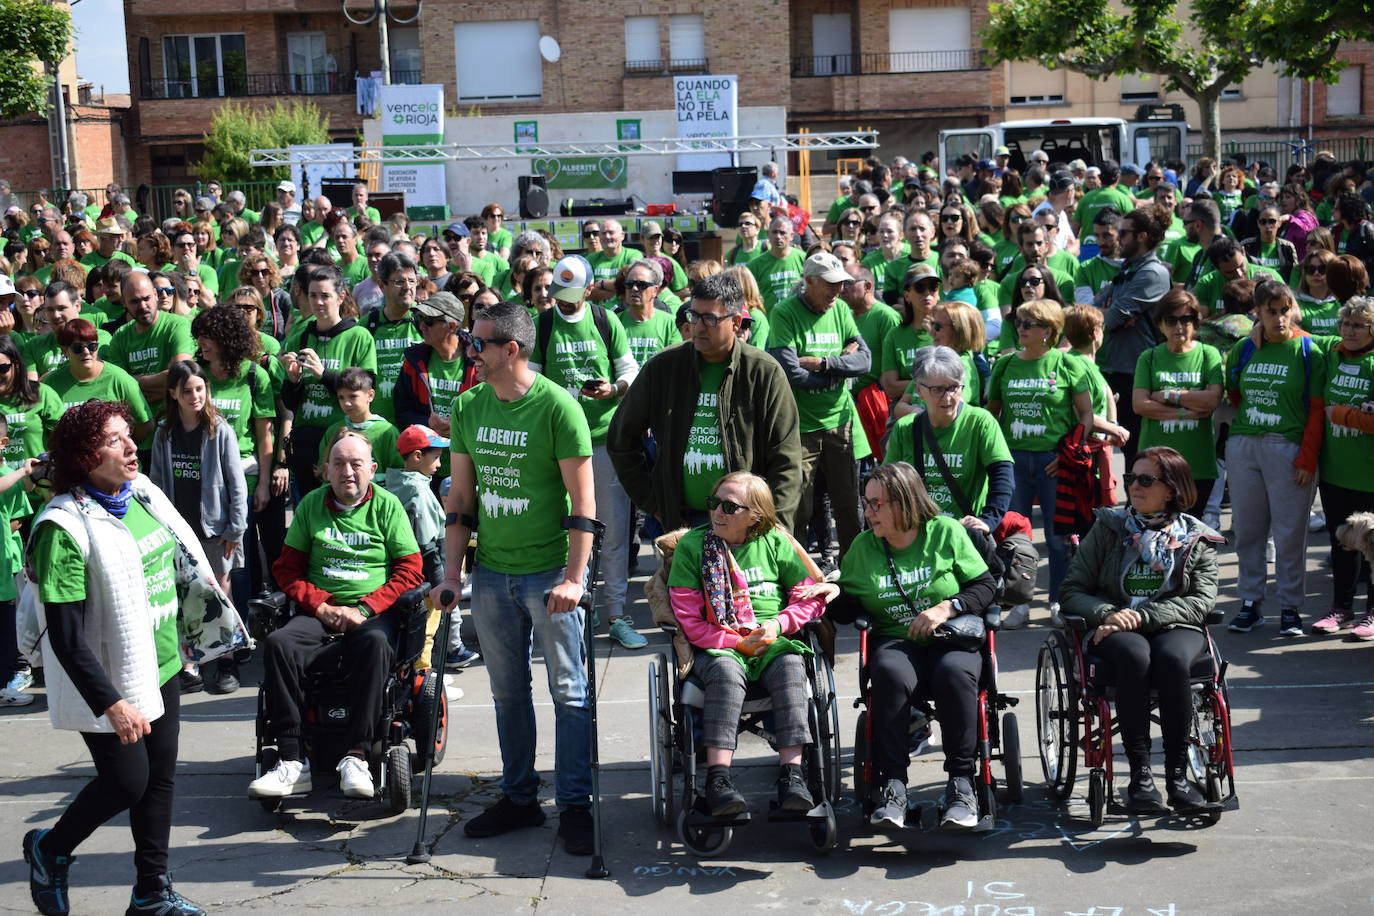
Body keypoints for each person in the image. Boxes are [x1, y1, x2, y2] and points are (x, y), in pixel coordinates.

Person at [23, 399, 244, 916]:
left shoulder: (140, 493)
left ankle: (151, 891)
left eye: (128, 434)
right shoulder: (64, 527)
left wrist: (196, 635)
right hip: (109, 677)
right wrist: (112, 704)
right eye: (113, 440)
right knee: (127, 781)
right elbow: (67, 638)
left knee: (160, 779)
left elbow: (182, 562)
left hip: (162, 661)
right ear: (84, 455)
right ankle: (50, 849)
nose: (129, 446)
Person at [434, 301, 599, 856]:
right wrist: (451, 574)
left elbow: (583, 503)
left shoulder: (558, 408)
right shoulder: (469, 406)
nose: (469, 352)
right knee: (508, 694)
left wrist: (575, 578)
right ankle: (520, 796)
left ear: (512, 349)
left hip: (549, 573)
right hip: (493, 572)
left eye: (478, 343)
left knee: (570, 693)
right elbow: (460, 498)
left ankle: (576, 804)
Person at [249, 432, 424, 801]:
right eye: (339, 464)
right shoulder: (312, 505)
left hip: (371, 612)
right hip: (321, 610)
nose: (348, 471)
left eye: (356, 464)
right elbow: (288, 569)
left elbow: (410, 570)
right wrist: (322, 605)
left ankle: (357, 755)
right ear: (325, 470)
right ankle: (292, 761)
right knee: (280, 643)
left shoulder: (388, 506)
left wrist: (364, 609)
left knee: (376, 643)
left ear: (372, 470)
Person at [831, 461, 998, 829]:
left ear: (904, 502)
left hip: (950, 636)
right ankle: (893, 786)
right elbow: (849, 607)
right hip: (895, 638)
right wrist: (830, 593)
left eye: (877, 503)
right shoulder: (864, 547)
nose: (868, 511)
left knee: (954, 673)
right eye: (866, 502)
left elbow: (985, 587)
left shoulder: (945, 532)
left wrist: (948, 606)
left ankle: (961, 783)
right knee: (888, 672)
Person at [1058, 446, 1222, 813]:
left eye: (1146, 480)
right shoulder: (1107, 527)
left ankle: (1178, 777)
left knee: (1171, 658)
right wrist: (1108, 614)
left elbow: (1201, 600)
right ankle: (1141, 777)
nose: (1134, 486)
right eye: (1132, 478)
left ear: (1173, 489)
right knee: (1134, 655)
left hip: (1175, 624)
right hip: (1116, 625)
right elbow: (1071, 591)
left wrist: (1144, 617)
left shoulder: (1198, 538)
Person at [668, 471, 833, 816]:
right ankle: (718, 781)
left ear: (755, 515)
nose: (717, 513)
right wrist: (734, 642)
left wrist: (778, 624)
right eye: (715, 503)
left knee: (790, 667)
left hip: (771, 639)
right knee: (725, 673)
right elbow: (689, 619)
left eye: (730, 507)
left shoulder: (776, 541)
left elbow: (812, 597)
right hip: (718, 643)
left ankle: (793, 776)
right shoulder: (693, 546)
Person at [609, 272, 803, 531]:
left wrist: (775, 528)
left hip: (746, 526)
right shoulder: (663, 367)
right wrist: (654, 501)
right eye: (694, 315)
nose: (698, 327)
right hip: (683, 523)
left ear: (735, 322)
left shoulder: (763, 371)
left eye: (710, 318)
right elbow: (621, 438)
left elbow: (786, 458)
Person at [987, 299, 1127, 627]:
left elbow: (1086, 415)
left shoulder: (1068, 365)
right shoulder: (1005, 366)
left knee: (1059, 538)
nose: (1020, 328)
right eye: (1019, 322)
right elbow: (992, 415)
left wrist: (1068, 454)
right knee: (1013, 537)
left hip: (1055, 462)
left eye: (1028, 324)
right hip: (1014, 462)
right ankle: (1018, 602)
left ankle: (1058, 601)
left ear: (1049, 331)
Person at [528, 256, 641, 648]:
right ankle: (582, 609)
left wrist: (613, 389)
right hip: (559, 446)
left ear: (590, 290)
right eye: (558, 294)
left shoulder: (606, 322)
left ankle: (617, 613)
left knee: (612, 532)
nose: (563, 302)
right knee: (571, 531)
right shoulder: (542, 325)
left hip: (604, 440)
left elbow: (630, 369)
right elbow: (533, 380)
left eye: (572, 295)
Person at [1224, 280, 1327, 636]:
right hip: (1244, 446)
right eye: (1271, 311)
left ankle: (1289, 608)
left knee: (1289, 534)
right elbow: (1234, 391)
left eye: (1286, 310)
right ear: (1258, 312)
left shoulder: (1309, 350)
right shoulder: (1244, 348)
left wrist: (1307, 458)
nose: (1280, 319)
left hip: (1288, 449)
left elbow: (1316, 410)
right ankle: (1250, 603)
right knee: (1249, 531)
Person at [148, 360, 248, 693]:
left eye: (200, 389)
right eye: (187, 390)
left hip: (216, 531)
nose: (195, 396)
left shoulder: (219, 430)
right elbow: (157, 484)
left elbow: (236, 484)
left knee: (219, 594)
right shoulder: (165, 432)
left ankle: (225, 661)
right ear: (174, 393)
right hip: (180, 529)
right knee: (184, 594)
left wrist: (235, 529)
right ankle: (190, 664)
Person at [768, 252, 871, 559]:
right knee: (797, 507)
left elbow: (864, 361)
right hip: (801, 428)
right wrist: (839, 372)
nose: (838, 291)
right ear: (809, 280)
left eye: (841, 284)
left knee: (849, 507)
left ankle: (854, 572)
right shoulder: (784, 313)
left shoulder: (840, 310)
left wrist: (824, 363)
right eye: (830, 284)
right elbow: (792, 374)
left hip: (842, 424)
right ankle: (796, 575)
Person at [885, 346, 1013, 533]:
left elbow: (1003, 475)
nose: (948, 397)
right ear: (919, 391)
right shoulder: (905, 428)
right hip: (918, 534)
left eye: (953, 387)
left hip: (964, 534)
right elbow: (890, 484)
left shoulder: (981, 422)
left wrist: (988, 520)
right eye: (937, 389)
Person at [380, 424, 477, 669]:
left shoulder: (395, 484)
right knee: (427, 630)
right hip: (427, 577)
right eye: (436, 457)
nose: (439, 464)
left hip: (406, 575)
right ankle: (426, 680)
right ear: (417, 457)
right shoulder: (418, 492)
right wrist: (441, 582)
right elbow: (427, 546)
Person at [280, 264, 378, 497]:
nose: (318, 302)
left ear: (341, 296)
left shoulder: (358, 336)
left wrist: (323, 375)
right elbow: (290, 402)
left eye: (325, 296)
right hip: (306, 440)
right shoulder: (301, 335)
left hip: (343, 437)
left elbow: (365, 390)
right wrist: (293, 381)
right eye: (313, 295)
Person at [1311, 297, 1374, 638]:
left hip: (1370, 474)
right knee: (1342, 544)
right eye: (1345, 323)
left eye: (1358, 325)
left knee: (1373, 546)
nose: (1350, 330)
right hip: (1335, 472)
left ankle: (1373, 613)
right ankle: (1341, 608)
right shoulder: (1333, 354)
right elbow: (1297, 331)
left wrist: (1345, 415)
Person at [1132, 290, 1225, 517]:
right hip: (1155, 468)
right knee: (1154, 532)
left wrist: (1169, 395)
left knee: (1190, 535)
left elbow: (1212, 399)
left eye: (1186, 319)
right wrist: (1186, 413)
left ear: (1196, 322)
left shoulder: (1207, 354)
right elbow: (1140, 405)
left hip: (1198, 465)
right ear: (1160, 324)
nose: (1179, 326)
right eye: (1171, 320)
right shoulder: (1149, 357)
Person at [1095, 207, 1174, 468]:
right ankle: (1133, 507)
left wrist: (1112, 314)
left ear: (1141, 236)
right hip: (1118, 366)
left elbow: (1109, 318)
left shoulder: (1152, 273)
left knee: (1142, 452)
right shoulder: (1129, 268)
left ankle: (1141, 507)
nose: (1118, 238)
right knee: (1128, 449)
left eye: (1123, 233)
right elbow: (1092, 312)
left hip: (1139, 371)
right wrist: (1111, 313)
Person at [317, 367, 403, 473]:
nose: (346, 403)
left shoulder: (387, 432)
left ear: (370, 395)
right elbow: (325, 471)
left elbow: (398, 472)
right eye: (341, 398)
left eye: (353, 396)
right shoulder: (333, 431)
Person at [747, 215, 806, 312]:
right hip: (770, 324)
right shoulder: (754, 266)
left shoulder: (804, 259)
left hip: (798, 322)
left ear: (791, 236)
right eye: (774, 232)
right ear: (767, 234)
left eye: (782, 233)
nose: (778, 236)